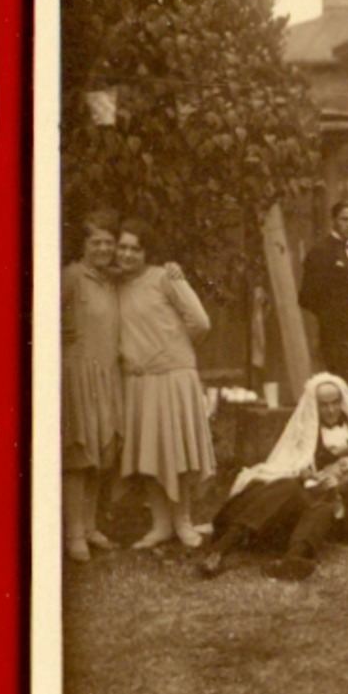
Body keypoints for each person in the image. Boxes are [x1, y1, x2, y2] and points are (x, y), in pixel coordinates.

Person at [199, 374, 348, 581]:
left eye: (335, 403)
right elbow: (279, 468)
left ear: (343, 401)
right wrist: (304, 473)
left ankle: (293, 559)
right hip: (275, 511)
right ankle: (219, 550)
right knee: (289, 487)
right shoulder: (303, 433)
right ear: (314, 406)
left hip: (325, 511)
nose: (330, 410)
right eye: (323, 405)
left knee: (324, 508)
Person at [115, 218, 215, 550]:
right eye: (123, 247)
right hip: (139, 382)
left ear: (146, 252)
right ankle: (160, 525)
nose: (127, 254)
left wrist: (174, 349)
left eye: (135, 248)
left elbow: (200, 321)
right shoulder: (114, 284)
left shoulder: (165, 277)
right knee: (151, 452)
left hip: (173, 376)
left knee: (179, 451)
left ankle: (184, 523)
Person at [61, 209, 124, 562]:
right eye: (96, 241)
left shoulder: (111, 279)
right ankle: (73, 536)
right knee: (79, 453)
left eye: (109, 242)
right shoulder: (72, 276)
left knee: (102, 452)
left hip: (108, 375)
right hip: (78, 373)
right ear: (84, 245)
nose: (103, 248)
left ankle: (90, 526)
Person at [298, 200, 348, 393]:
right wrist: (332, 316)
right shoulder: (321, 251)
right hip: (335, 331)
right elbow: (307, 296)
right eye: (345, 219)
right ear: (334, 221)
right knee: (338, 385)